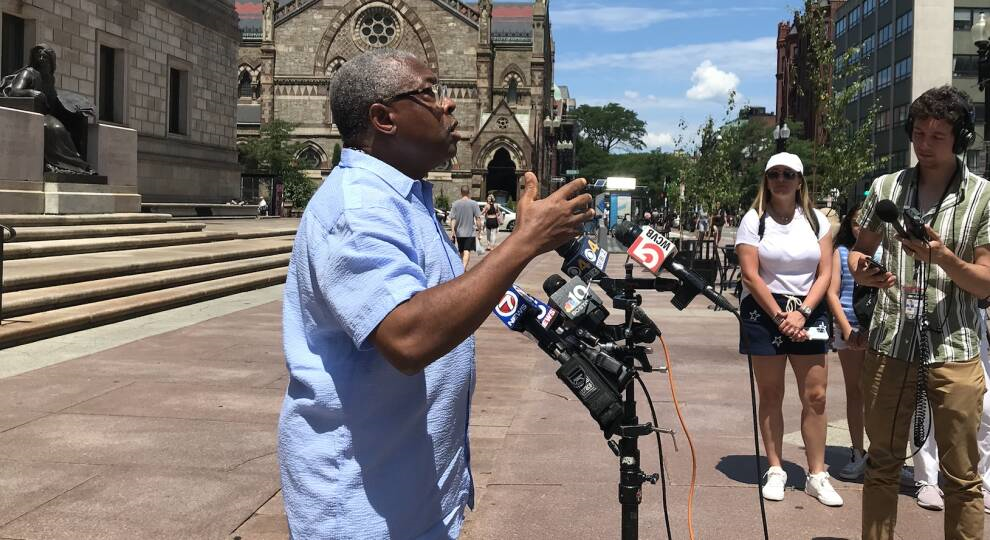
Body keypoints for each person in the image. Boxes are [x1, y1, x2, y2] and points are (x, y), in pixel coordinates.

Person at [278, 50, 594, 539]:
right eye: (429, 93)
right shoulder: (358, 208)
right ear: (383, 119)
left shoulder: (404, 198)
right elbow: (408, 337)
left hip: (413, 495)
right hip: (362, 511)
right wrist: (525, 241)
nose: (449, 105)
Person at [849, 85, 990, 540]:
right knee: (882, 464)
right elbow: (859, 250)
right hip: (891, 345)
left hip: (956, 347)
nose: (925, 145)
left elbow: (985, 281)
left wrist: (943, 258)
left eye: (938, 136)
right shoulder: (886, 187)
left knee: (962, 477)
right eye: (919, 133)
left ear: (961, 139)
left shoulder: (984, 197)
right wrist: (864, 271)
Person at [735, 152, 840, 506]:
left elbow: (825, 271)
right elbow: (750, 273)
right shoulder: (754, 220)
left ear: (800, 181)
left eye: (789, 174)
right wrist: (781, 316)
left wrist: (804, 312)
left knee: (816, 395)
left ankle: (816, 474)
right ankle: (776, 467)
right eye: (775, 174)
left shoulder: (815, 221)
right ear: (766, 180)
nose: (781, 180)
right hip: (765, 309)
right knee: (770, 393)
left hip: (809, 306)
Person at [906, 308, 990, 513]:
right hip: (924, 317)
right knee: (923, 403)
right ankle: (927, 479)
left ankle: (982, 480)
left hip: (969, 323)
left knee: (984, 407)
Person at [825, 203, 870, 481]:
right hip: (850, 326)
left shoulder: (885, 252)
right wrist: (845, 329)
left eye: (866, 222)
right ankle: (857, 450)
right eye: (856, 223)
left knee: (883, 394)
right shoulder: (840, 252)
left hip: (881, 330)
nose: (861, 228)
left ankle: (883, 452)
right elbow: (832, 292)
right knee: (856, 391)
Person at [1, 43, 95, 174]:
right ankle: (66, 165)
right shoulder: (29, 73)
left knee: (77, 122)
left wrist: (76, 108)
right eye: (38, 56)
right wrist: (31, 92)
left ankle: (78, 164)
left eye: (44, 57)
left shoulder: (50, 80)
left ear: (51, 61)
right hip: (34, 113)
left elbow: (54, 102)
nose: (41, 59)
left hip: (48, 114)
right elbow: (13, 91)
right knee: (56, 129)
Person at [449, 184, 482, 267]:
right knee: (467, 250)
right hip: (470, 232)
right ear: (469, 192)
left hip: (459, 232)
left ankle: (461, 268)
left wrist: (453, 231)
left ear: (461, 192)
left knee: (461, 251)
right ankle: (463, 269)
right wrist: (479, 231)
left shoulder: (455, 204)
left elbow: (453, 219)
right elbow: (478, 219)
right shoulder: (474, 204)